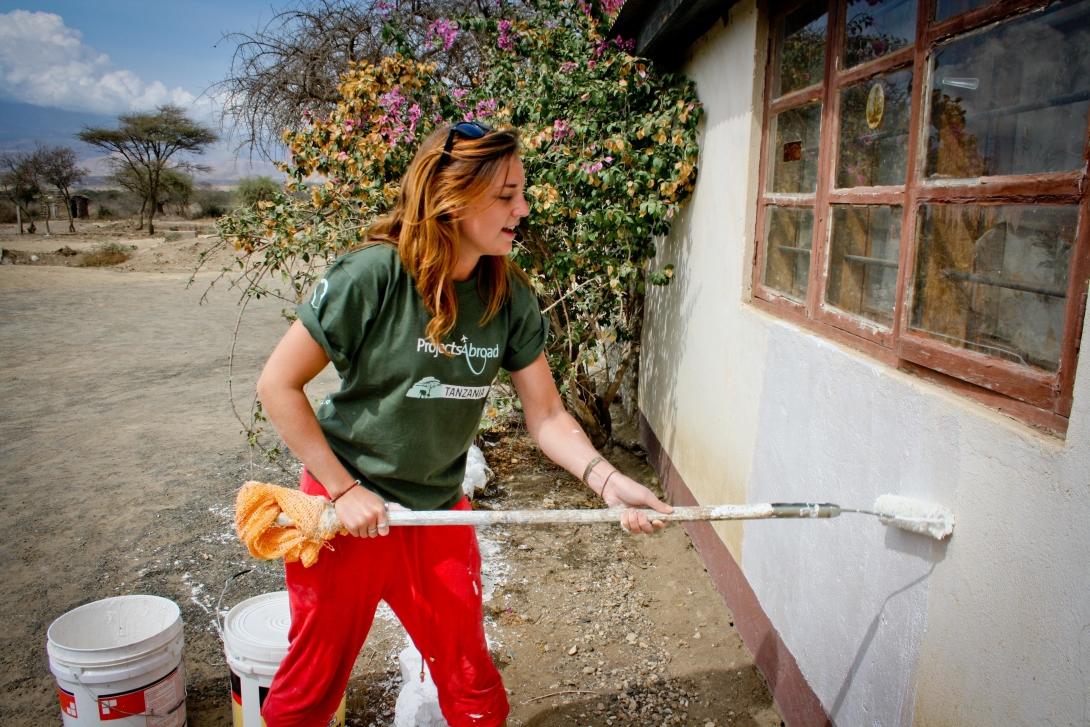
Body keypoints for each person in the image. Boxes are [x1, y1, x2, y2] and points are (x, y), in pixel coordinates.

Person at [255, 121, 673, 727]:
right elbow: (278, 385)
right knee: (309, 690)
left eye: (521, 193)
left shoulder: (510, 297)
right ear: (451, 197)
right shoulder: (373, 276)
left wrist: (607, 482)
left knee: (473, 687)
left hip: (438, 514)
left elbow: (548, 414)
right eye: (506, 195)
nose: (522, 209)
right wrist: (344, 490)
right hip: (346, 509)